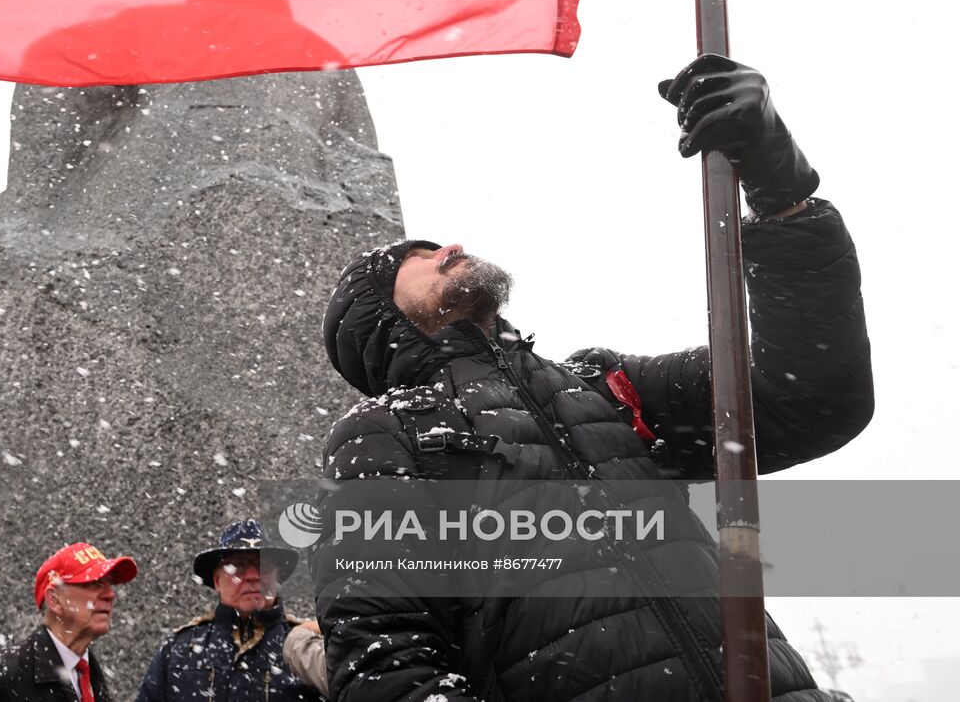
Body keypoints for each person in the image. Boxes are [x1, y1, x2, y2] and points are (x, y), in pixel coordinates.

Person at [314, 55, 874, 702]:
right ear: (378, 321)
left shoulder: (603, 384)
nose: (448, 247)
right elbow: (385, 655)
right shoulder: (387, 432)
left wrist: (782, 192)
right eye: (414, 257)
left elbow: (813, 395)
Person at [136, 519, 323, 702]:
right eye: (238, 566)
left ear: (277, 578)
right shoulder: (179, 649)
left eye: (263, 566)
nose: (252, 575)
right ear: (217, 581)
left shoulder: (308, 649)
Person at [0, 541, 137, 701]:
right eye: (95, 583)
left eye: (110, 584)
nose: (110, 594)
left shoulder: (91, 673)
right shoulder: (4, 674)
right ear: (54, 599)